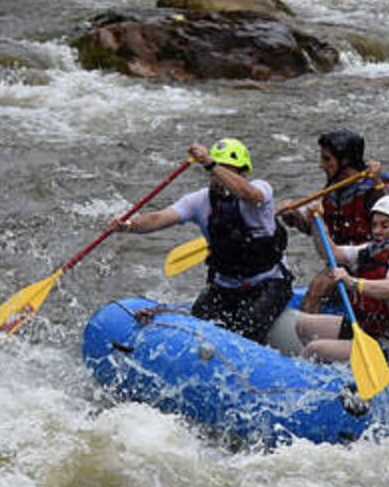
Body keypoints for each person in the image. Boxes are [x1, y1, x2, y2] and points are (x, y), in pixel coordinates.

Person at [109, 138, 291, 344]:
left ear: (243, 174)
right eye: (215, 174)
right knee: (196, 334)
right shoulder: (199, 201)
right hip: (225, 286)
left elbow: (247, 193)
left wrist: (211, 163)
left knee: (249, 328)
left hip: (269, 283)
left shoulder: (261, 190)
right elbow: (159, 218)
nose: (219, 179)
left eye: (227, 172)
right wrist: (130, 226)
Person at [294, 195, 389, 363]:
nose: (377, 231)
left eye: (385, 226)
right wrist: (317, 221)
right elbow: (332, 253)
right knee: (303, 325)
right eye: (375, 225)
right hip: (370, 330)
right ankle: (333, 367)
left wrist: (352, 282)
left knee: (315, 349)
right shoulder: (371, 249)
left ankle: (316, 373)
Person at [277, 128, 389, 312]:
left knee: (319, 285)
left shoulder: (372, 189)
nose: (321, 165)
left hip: (372, 262)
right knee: (321, 281)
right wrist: (297, 218)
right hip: (343, 260)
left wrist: (378, 182)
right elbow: (320, 229)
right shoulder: (333, 190)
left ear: (345, 161)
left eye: (327, 159)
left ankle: (305, 334)